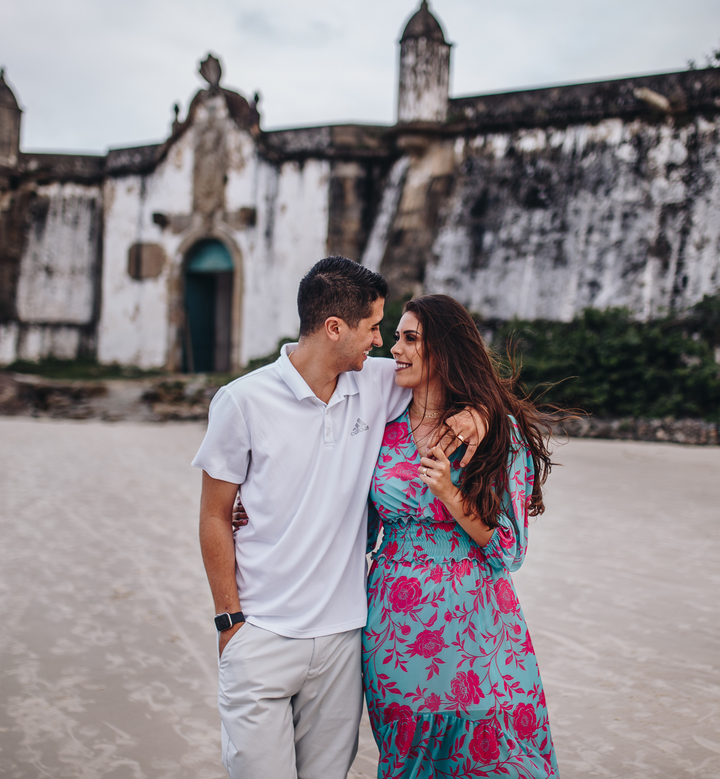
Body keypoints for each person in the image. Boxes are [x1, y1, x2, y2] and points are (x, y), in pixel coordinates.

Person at [192, 258, 487, 779]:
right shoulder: (241, 401)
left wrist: (479, 413)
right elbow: (215, 515)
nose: (381, 342)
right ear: (335, 328)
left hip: (343, 641)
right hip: (259, 633)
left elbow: (462, 373)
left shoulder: (377, 384)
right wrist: (229, 621)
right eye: (374, 327)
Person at [363, 294, 559, 778]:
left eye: (411, 339)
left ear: (444, 350)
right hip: (394, 627)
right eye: (395, 338)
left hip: (479, 623)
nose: (396, 349)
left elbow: (509, 549)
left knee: (494, 758)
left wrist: (451, 494)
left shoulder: (495, 431)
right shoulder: (377, 431)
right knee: (409, 758)